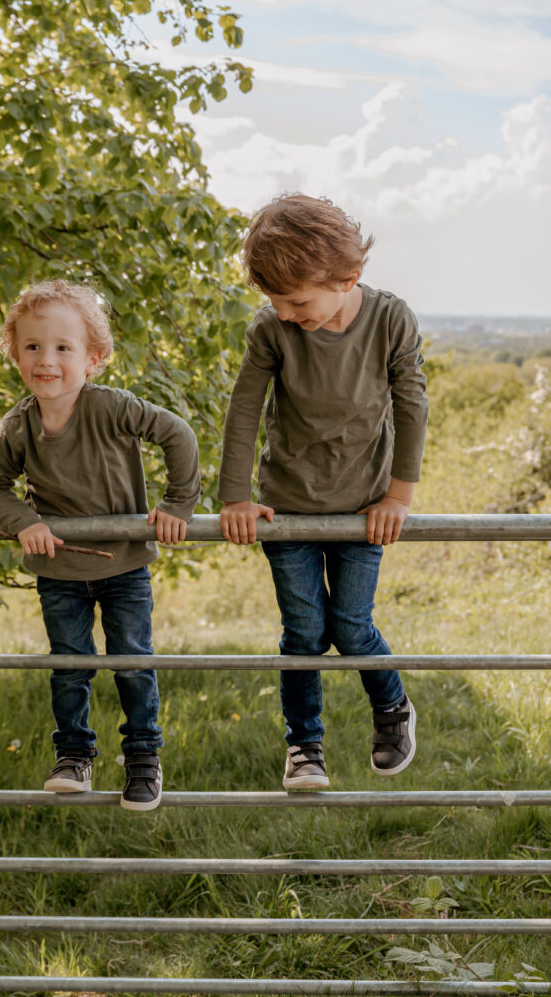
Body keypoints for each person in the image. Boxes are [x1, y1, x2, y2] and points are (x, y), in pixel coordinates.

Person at [218, 194, 429, 790]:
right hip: (286, 506)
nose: (285, 314)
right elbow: (244, 410)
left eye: (297, 301)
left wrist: (398, 496)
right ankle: (304, 746)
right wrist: (235, 494)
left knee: (352, 625)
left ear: (348, 278)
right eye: (276, 302)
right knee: (305, 632)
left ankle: (392, 708)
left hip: (365, 507)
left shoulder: (390, 320)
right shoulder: (272, 329)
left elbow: (412, 405)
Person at [0, 280, 200, 809]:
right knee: (70, 664)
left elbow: (179, 436)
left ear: (93, 359)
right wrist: (24, 520)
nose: (45, 360)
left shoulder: (112, 408)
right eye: (32, 347)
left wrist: (176, 505)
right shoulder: (16, 427)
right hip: (58, 570)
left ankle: (144, 756)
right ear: (15, 354)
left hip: (124, 566)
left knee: (132, 660)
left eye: (62, 348)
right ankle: (74, 756)